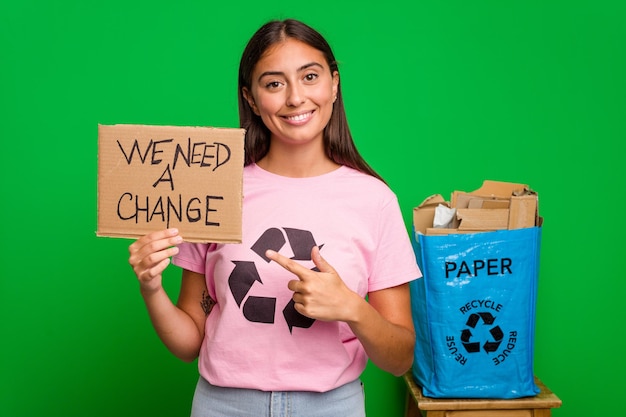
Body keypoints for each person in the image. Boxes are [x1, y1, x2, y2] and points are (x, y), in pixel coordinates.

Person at [128, 18, 422, 417]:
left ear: (334, 84)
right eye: (274, 83)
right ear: (251, 99)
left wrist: (352, 307)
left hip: (332, 406)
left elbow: (400, 357)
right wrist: (151, 288)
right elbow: (189, 343)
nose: (295, 98)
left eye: (310, 76)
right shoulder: (214, 188)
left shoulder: (375, 200)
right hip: (223, 405)